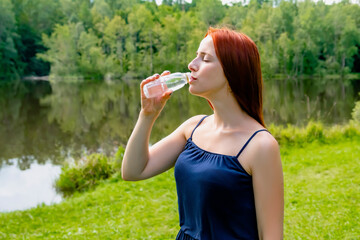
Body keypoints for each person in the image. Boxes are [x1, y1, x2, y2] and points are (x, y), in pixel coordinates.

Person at [121, 27, 284, 240]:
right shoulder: (193, 127)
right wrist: (147, 115)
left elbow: (271, 236)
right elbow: (133, 171)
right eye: (196, 56)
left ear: (232, 71)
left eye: (205, 59)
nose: (191, 65)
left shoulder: (260, 146)